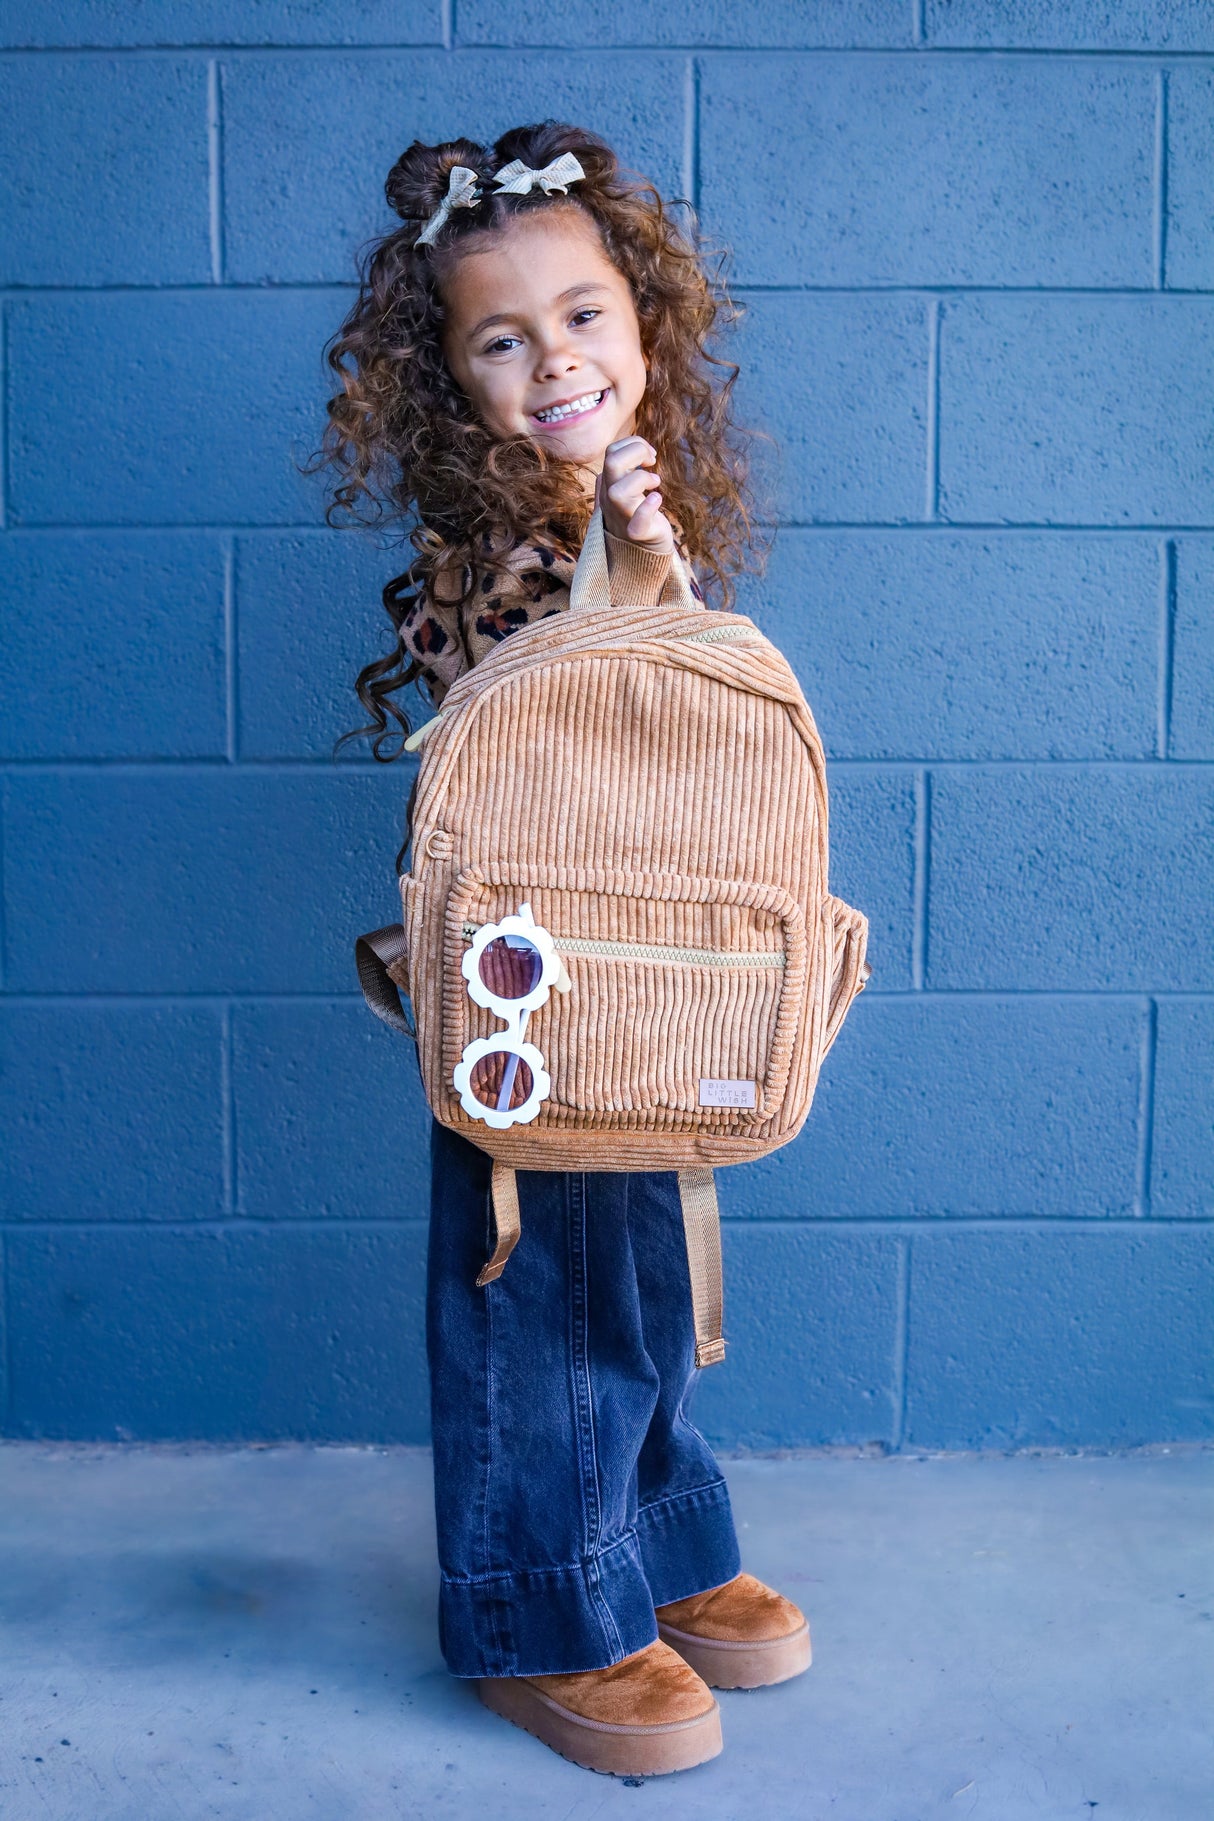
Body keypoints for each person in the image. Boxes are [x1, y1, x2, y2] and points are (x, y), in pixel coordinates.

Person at [316, 120, 810, 1779]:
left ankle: (653, 1542)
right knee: (535, 1286)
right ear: (449, 381)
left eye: (583, 315)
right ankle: (539, 1604)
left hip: (641, 979)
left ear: (642, 324)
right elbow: (545, 707)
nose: (553, 362)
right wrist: (623, 569)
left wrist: (646, 558)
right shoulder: (497, 547)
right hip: (527, 991)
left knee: (644, 1267)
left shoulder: (617, 503)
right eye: (500, 341)